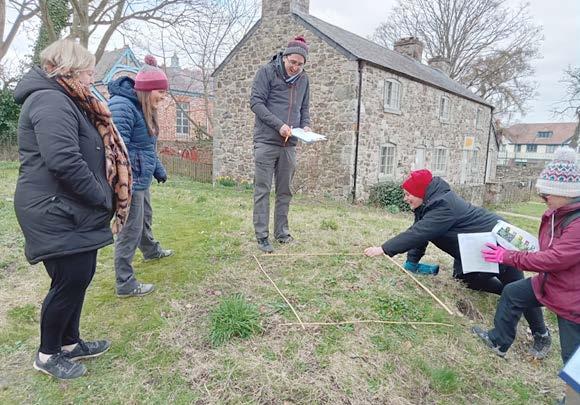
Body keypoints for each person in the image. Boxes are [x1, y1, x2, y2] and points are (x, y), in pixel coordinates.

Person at [13, 39, 131, 379]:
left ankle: (69, 343)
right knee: (69, 280)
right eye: (88, 72)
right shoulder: (50, 100)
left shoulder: (66, 99)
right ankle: (48, 354)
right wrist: (102, 196)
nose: (92, 78)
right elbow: (64, 160)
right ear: (69, 70)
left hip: (69, 206)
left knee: (80, 276)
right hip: (53, 208)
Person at [364, 169, 549, 357]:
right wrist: (412, 261)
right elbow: (421, 230)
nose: (405, 198)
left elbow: (418, 233)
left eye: (407, 194)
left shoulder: (443, 206)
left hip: (497, 244)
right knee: (466, 280)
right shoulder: (428, 204)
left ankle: (541, 334)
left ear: (420, 192)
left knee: (517, 286)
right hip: (472, 249)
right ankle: (509, 296)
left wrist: (384, 249)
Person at [473, 146, 580, 364]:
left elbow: (555, 259)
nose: (542, 197)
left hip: (573, 299)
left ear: (566, 192)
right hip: (551, 282)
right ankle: (498, 341)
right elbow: (549, 249)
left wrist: (507, 256)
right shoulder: (556, 213)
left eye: (546, 193)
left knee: (573, 359)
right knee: (513, 293)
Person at [109, 55, 173, 298]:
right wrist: (126, 182)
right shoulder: (123, 106)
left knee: (144, 219)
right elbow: (117, 149)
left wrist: (158, 170)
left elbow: (147, 146)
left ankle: (150, 251)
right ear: (147, 89)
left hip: (141, 176)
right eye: (161, 92)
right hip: (130, 180)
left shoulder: (144, 107)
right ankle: (124, 282)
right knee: (130, 230)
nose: (164, 97)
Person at [250, 35, 311, 253]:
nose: (295, 67)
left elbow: (304, 108)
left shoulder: (304, 79)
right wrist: (279, 125)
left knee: (285, 191)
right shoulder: (266, 72)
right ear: (284, 57)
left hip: (289, 144)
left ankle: (282, 233)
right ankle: (262, 237)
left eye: (300, 64)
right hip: (266, 142)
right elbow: (256, 103)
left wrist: (305, 126)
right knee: (263, 190)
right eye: (292, 62)